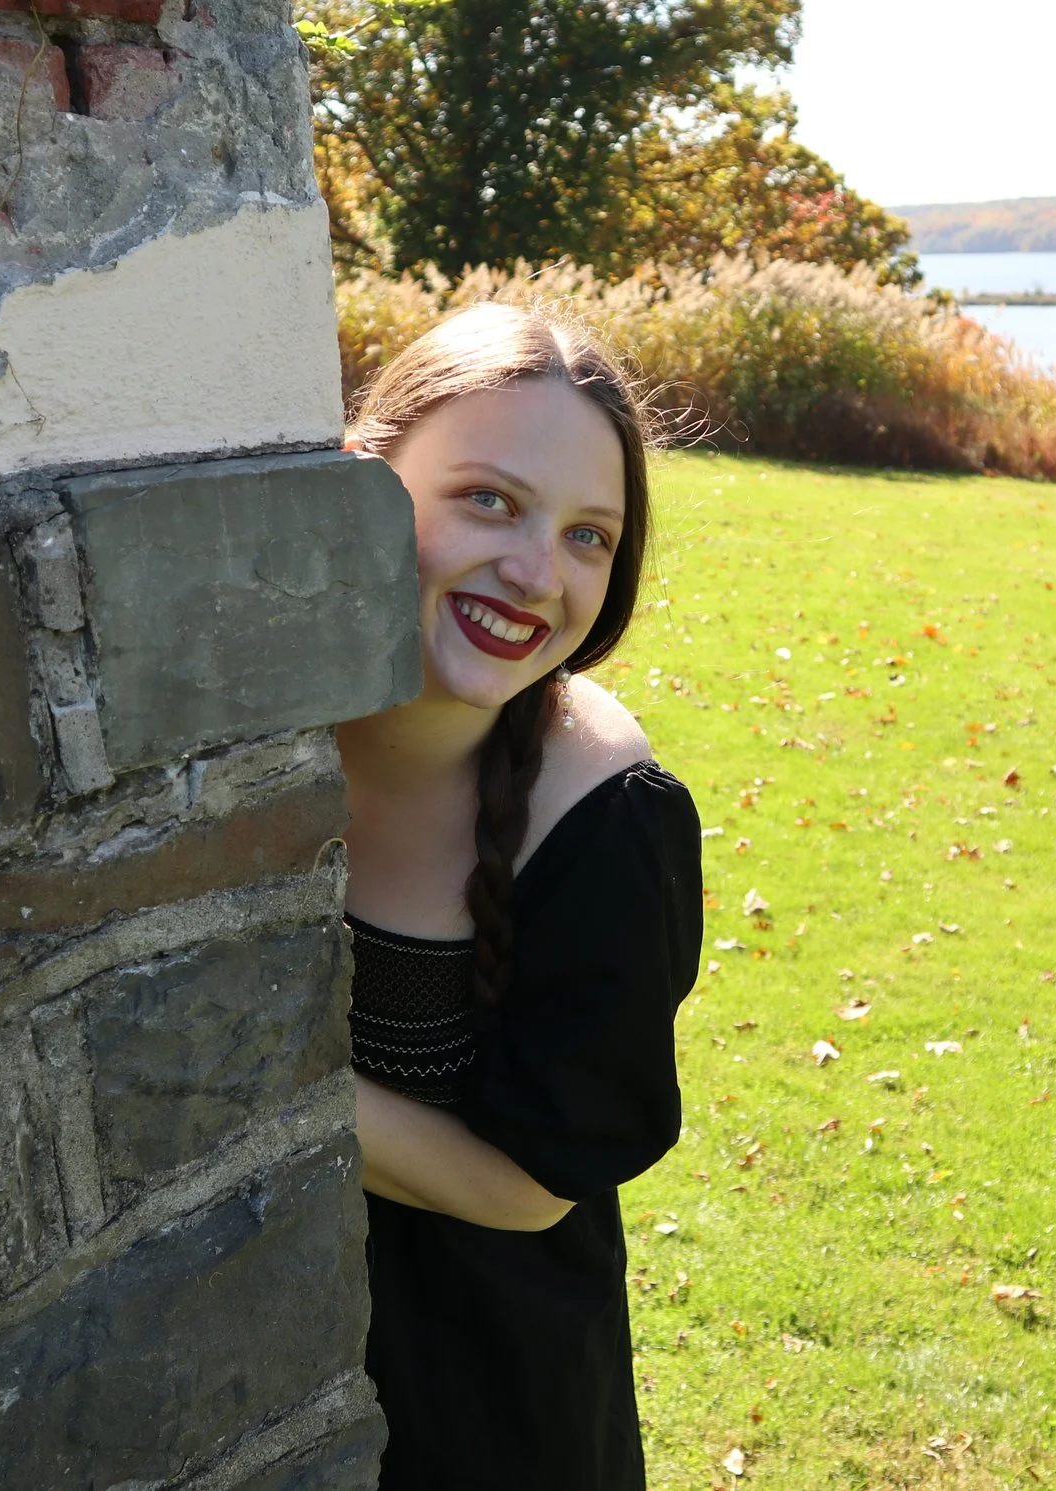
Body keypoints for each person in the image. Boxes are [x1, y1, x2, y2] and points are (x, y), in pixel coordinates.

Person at [335, 303, 704, 1490]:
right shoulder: (238, 726)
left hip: (488, 1411)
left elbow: (537, 1185)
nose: (537, 573)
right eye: (488, 499)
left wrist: (244, 1098)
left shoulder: (608, 818)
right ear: (361, 479)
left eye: (588, 534)